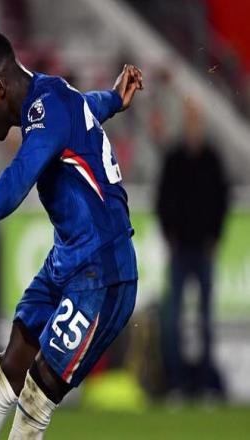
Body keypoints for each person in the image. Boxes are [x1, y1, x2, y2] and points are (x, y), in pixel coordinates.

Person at [0, 31, 143, 439]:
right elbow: (88, 106)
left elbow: (20, 176)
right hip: (69, 261)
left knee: (38, 391)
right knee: (12, 364)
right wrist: (114, 99)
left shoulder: (48, 109)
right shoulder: (53, 97)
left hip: (103, 273)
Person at [156, 98, 229, 398]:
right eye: (189, 120)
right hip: (180, 250)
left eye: (196, 120)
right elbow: (162, 201)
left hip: (203, 249)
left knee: (205, 320)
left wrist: (215, 237)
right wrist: (169, 236)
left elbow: (222, 201)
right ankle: (176, 382)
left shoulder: (212, 159)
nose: (193, 126)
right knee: (173, 319)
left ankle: (204, 383)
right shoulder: (174, 159)